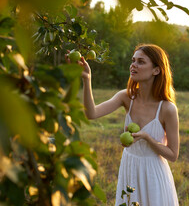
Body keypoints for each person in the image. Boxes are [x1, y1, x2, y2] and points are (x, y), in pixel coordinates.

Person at [70, 44, 180, 206]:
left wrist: (147, 137)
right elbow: (91, 113)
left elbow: (173, 155)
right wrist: (87, 79)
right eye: (133, 60)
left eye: (141, 62)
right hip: (130, 168)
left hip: (153, 174)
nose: (133, 65)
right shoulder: (126, 97)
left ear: (156, 70)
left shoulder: (167, 109)